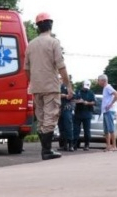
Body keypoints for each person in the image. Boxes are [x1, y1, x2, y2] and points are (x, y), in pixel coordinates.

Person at [25, 12, 73, 160]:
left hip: (36, 87)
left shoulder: (30, 45)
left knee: (41, 118)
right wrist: (68, 86)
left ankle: (45, 149)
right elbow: (61, 66)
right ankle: (46, 151)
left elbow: (26, 68)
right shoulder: (53, 42)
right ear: (50, 25)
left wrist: (32, 81)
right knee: (50, 117)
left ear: (37, 27)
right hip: (51, 86)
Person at [97, 74, 117, 152]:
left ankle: (114, 146)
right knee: (106, 130)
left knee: (111, 129)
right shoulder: (105, 88)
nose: (98, 82)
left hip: (109, 111)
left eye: (99, 80)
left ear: (103, 80)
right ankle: (108, 146)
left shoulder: (108, 87)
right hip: (105, 111)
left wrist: (110, 104)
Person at [73, 80, 96, 151]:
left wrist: (87, 103)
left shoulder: (91, 93)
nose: (86, 88)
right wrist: (78, 101)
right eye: (85, 86)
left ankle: (86, 145)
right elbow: (73, 100)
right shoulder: (77, 91)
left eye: (87, 87)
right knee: (76, 130)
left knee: (87, 131)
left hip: (87, 113)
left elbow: (94, 102)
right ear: (82, 85)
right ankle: (74, 145)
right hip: (78, 113)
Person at [57, 75, 75, 152]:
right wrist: (64, 95)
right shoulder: (55, 86)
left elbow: (72, 95)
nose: (59, 80)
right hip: (58, 108)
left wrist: (67, 95)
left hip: (66, 108)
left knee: (68, 126)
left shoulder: (67, 86)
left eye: (60, 78)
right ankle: (64, 145)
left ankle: (71, 145)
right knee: (61, 127)